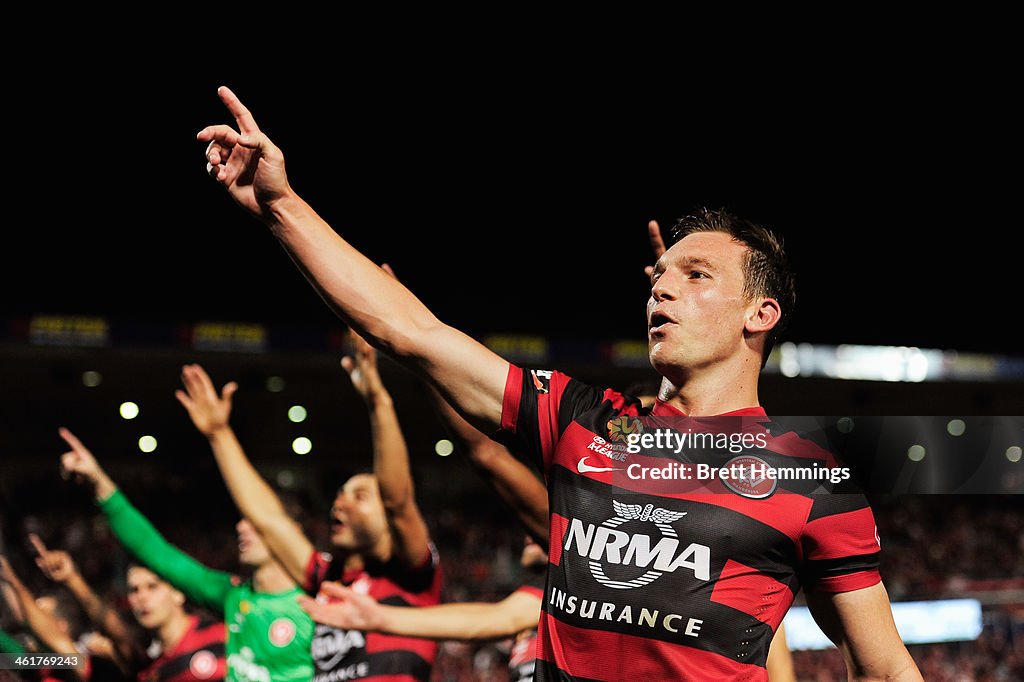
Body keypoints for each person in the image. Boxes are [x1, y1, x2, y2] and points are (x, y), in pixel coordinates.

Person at [198, 86, 921, 681]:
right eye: (659, 278)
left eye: (695, 277)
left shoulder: (810, 478)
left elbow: (885, 669)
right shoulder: (586, 421)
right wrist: (281, 204)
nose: (661, 291)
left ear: (760, 314)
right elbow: (412, 333)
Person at [174, 352, 441, 682]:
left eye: (360, 496)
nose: (340, 503)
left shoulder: (411, 577)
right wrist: (219, 433)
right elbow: (269, 519)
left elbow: (398, 502)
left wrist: (378, 402)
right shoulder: (326, 579)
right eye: (340, 495)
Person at [58, 428, 311, 682]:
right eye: (134, 590)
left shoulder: (321, 599)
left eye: (254, 521)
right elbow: (157, 552)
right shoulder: (234, 596)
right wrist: (99, 481)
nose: (241, 527)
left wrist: (220, 433)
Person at [301, 535, 546, 682]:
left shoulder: (574, 589)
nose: (526, 532)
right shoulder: (536, 599)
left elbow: (499, 618)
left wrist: (380, 618)